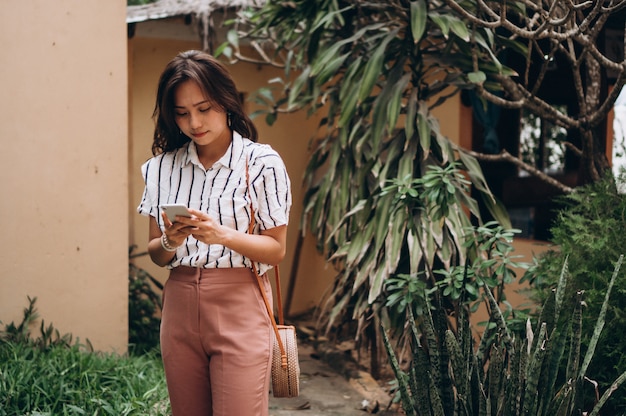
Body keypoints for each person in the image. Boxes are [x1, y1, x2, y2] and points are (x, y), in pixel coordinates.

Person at [137, 50, 292, 416]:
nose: (194, 122)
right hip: (179, 305)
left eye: (204, 108)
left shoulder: (261, 163)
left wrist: (221, 235)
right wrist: (172, 240)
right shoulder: (160, 169)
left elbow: (276, 249)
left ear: (226, 102)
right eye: (182, 113)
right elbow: (156, 254)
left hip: (240, 301)